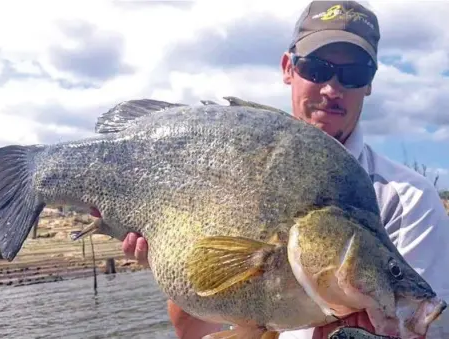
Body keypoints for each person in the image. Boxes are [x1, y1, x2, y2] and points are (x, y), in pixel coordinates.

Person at [122, 1, 449, 338]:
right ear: (288, 68)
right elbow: (190, 330)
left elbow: (422, 328)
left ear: (370, 83)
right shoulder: (230, 178)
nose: (331, 89)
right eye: (316, 68)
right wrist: (172, 268)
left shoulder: (408, 201)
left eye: (354, 74)